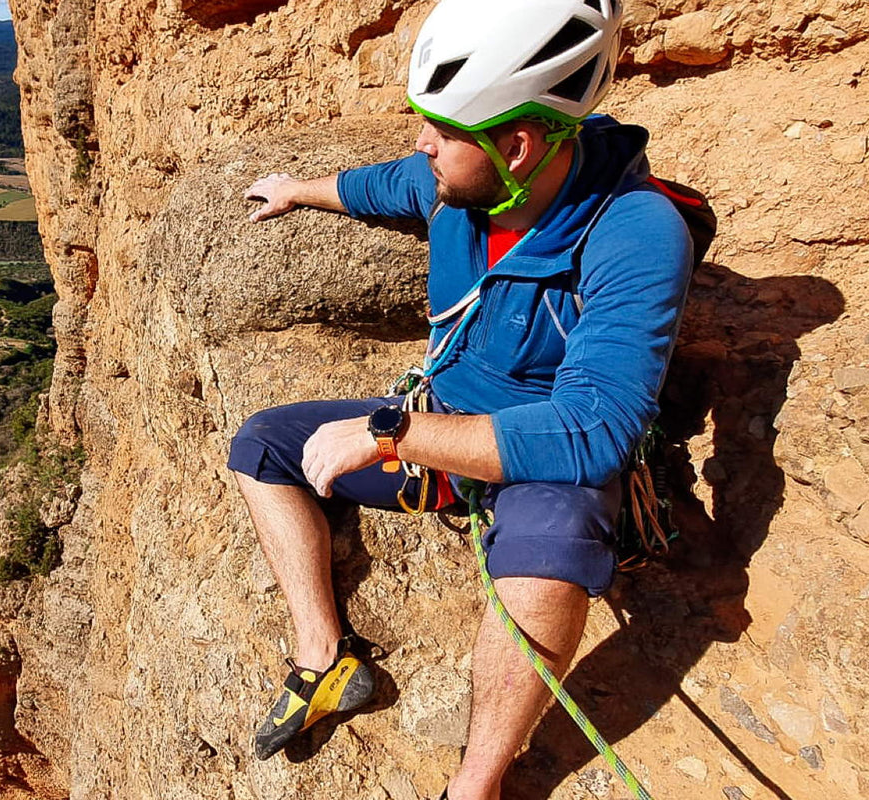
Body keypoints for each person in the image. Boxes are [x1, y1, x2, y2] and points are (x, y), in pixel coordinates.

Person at [230, 0, 696, 795]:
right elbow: (386, 183)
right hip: (441, 426)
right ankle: (325, 658)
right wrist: (298, 188)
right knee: (261, 445)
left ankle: (474, 784)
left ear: (517, 143)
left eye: (442, 130)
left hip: (540, 452)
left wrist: (390, 435)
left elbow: (593, 430)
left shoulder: (635, 232)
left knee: (546, 559)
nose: (423, 144)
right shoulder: (463, 186)